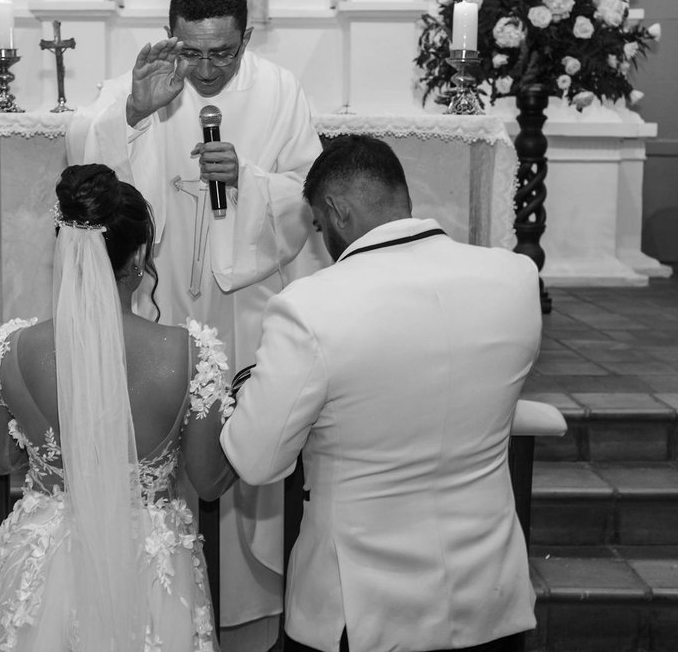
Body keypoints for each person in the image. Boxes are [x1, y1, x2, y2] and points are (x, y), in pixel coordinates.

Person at [66, 0, 325, 648]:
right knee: (154, 443)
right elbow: (82, 167)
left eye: (223, 53)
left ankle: (243, 598)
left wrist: (252, 184)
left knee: (240, 438)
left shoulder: (278, 91)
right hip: (154, 297)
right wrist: (129, 114)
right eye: (193, 52)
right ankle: (157, 596)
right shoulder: (142, 81)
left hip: (246, 303)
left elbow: (311, 192)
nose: (207, 70)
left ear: (247, 38)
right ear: (168, 37)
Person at [221, 135, 541, 652]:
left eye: (320, 227)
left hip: (363, 611)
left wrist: (246, 391)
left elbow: (257, 461)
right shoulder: (515, 279)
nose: (323, 240)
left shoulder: (309, 307)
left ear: (335, 211)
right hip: (489, 598)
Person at [0, 163, 238, 652]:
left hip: (43, 556)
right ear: (138, 259)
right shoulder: (190, 354)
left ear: (67, 249)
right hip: (147, 561)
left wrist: (50, 457)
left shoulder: (10, 348)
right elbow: (209, 479)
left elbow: (1, 459)